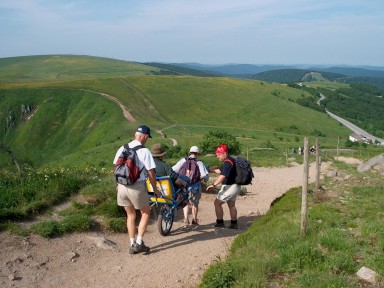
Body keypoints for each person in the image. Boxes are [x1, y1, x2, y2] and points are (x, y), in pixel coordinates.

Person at [113, 125, 161, 255]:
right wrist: (155, 189)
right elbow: (151, 173)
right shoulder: (145, 151)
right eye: (147, 138)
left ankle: (132, 243)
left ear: (135, 135)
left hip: (122, 186)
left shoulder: (123, 147)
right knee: (145, 212)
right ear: (145, 136)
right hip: (137, 186)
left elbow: (116, 168)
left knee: (130, 215)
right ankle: (139, 243)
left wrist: (118, 184)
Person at [206, 144, 241, 229]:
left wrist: (213, 185)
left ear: (224, 153)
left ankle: (220, 222)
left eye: (218, 155)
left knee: (217, 203)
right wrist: (209, 170)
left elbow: (223, 175)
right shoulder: (230, 160)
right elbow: (220, 171)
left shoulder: (227, 163)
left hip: (230, 186)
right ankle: (234, 223)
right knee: (231, 205)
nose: (217, 157)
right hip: (235, 186)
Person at [172, 146, 209, 225]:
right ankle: (194, 220)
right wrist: (204, 180)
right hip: (194, 186)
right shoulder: (199, 163)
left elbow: (173, 169)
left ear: (190, 153)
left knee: (185, 202)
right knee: (195, 204)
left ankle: (185, 219)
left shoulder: (183, 160)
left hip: (183, 185)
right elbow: (204, 175)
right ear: (197, 154)